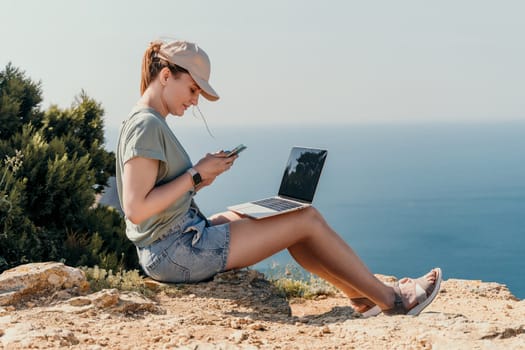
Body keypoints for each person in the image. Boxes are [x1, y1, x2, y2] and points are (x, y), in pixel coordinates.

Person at [116, 38, 442, 317]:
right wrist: (195, 174)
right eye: (192, 89)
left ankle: (360, 297)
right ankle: (392, 301)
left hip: (177, 240)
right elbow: (136, 209)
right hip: (175, 251)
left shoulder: (147, 121)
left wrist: (201, 179)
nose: (195, 100)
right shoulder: (147, 125)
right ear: (165, 75)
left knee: (276, 213)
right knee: (306, 219)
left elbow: (155, 198)